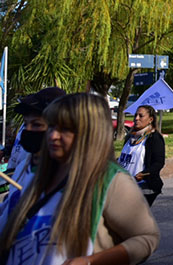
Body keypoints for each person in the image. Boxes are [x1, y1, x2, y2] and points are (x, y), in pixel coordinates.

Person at [0, 93, 159, 264]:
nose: (53, 135)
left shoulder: (111, 180)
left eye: (65, 129)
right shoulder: (37, 172)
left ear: (90, 132)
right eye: (52, 127)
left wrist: (90, 261)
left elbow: (147, 238)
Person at [3, 87, 66, 193]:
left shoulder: (61, 180)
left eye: (37, 124)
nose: (28, 130)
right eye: (25, 123)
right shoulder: (24, 167)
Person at [118, 105, 165, 206]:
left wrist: (143, 174)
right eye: (135, 115)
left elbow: (158, 163)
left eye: (141, 116)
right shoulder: (130, 137)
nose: (136, 118)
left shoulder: (154, 138)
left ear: (150, 119)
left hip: (144, 187)